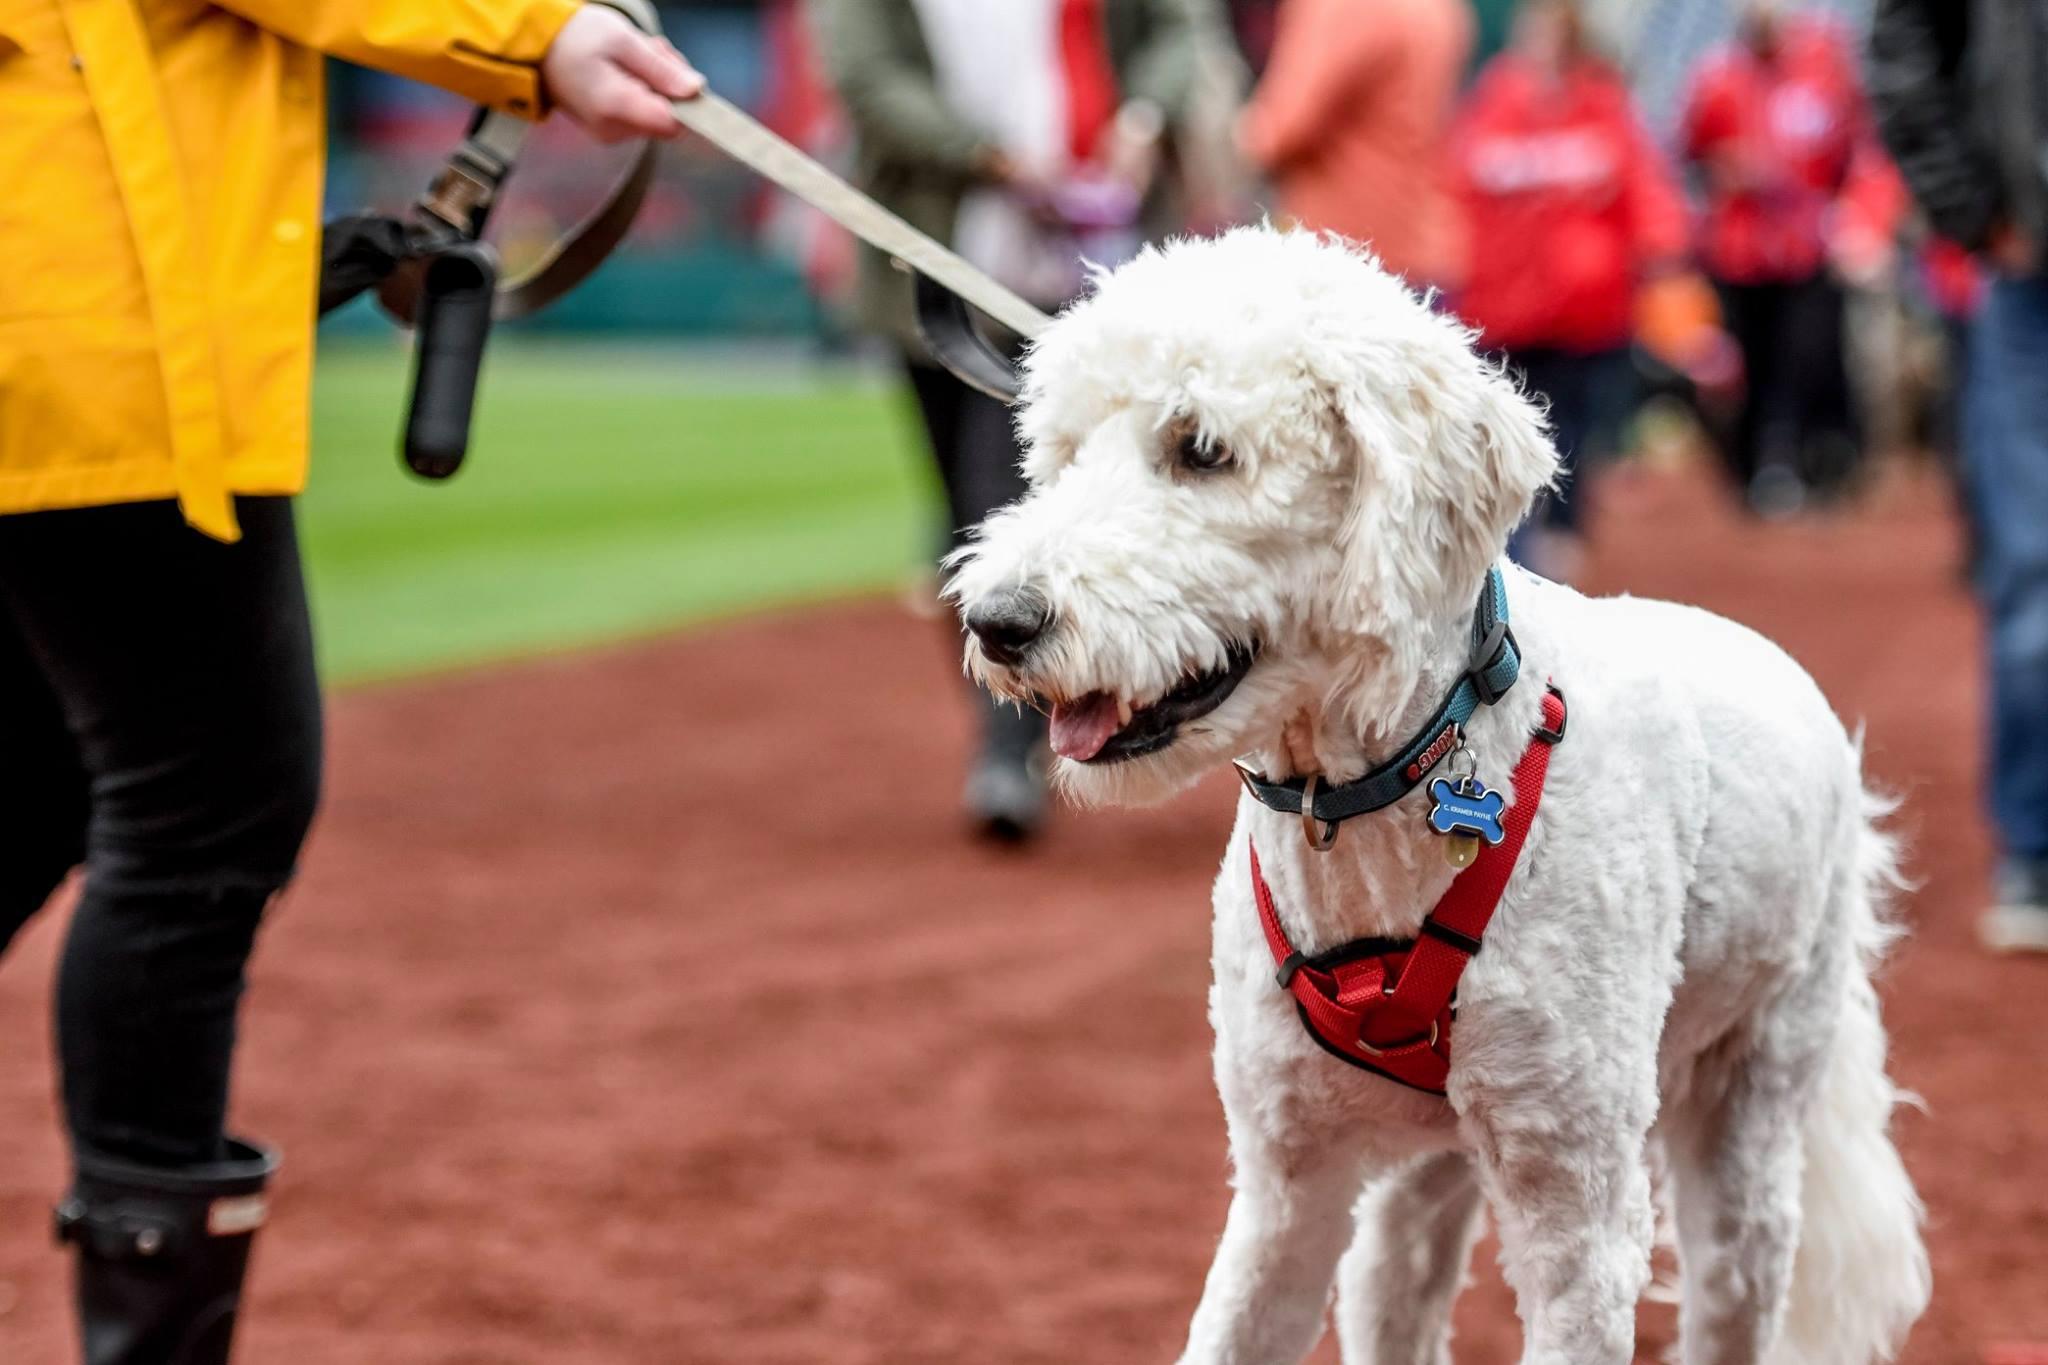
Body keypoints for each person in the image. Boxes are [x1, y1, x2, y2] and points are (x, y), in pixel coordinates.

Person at [0, 5, 697, 1360]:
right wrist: (530, 33)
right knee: (206, 812)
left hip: (56, 305)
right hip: (90, 338)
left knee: (46, 781)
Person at [810, 0, 1211, 842]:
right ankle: (1021, 730)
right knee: (970, 507)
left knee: (1047, 507)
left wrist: (1138, 124)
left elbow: (1179, 32)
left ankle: (1025, 740)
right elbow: (869, 77)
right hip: (946, 271)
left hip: (1105, 271)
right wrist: (992, 162)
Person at [1869, 0, 2048, 954]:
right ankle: (2036, 846)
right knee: (2031, 577)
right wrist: (1977, 215)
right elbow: (1903, 55)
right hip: (2028, 287)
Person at [1446, 0, 1691, 581]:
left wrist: (1663, 245)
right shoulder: (1493, 100)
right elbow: (1454, 184)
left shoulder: (1602, 101)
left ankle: (1565, 535)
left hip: (1588, 308)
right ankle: (1521, 543)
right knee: (1509, 429)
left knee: (1577, 431)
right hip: (1505, 307)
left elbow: (1644, 183)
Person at [1679, 0, 1888, 516]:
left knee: (1812, 357)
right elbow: (1692, 150)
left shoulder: (1825, 68)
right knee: (1747, 366)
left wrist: (1860, 219)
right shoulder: (1718, 76)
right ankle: (1753, 471)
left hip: (1808, 247)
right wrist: (1728, 170)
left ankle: (1821, 463)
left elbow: (1859, 149)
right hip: (1739, 251)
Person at [1237, 0, 1473, 287]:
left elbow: (1280, 131)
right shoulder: (1441, 8)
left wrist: (1234, 135)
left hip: (1349, 256)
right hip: (1424, 244)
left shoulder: (1345, 7)